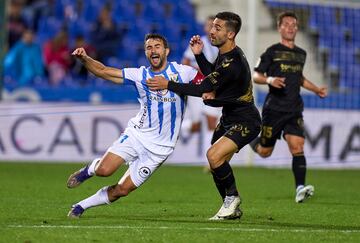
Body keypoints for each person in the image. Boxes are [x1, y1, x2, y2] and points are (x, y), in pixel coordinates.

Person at [67, 33, 204, 218]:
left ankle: (81, 206)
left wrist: (199, 58)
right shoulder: (140, 75)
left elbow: (208, 85)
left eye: (157, 46)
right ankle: (89, 170)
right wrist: (84, 58)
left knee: (122, 190)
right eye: (149, 47)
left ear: (166, 51)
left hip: (161, 148)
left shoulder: (184, 72)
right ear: (146, 53)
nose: (153, 50)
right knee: (104, 171)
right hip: (137, 135)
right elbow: (104, 71)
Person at [147, 12, 261, 220]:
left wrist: (168, 84)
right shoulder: (226, 54)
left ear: (231, 33)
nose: (211, 31)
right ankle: (230, 206)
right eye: (212, 26)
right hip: (229, 118)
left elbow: (204, 87)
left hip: (246, 120)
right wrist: (199, 55)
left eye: (218, 28)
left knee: (214, 156)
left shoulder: (233, 62)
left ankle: (232, 198)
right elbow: (213, 77)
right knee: (215, 162)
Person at [250, 12, 327, 203]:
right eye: (287, 24)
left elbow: (299, 78)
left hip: (294, 109)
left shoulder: (301, 53)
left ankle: (300, 188)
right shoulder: (271, 52)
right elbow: (256, 75)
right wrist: (270, 79)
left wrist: (316, 89)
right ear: (279, 28)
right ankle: (250, 139)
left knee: (297, 145)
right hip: (273, 109)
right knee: (265, 152)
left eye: (294, 24)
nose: (291, 27)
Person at [181, 16, 221, 164]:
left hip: (213, 89)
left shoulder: (220, 46)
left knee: (212, 123)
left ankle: (210, 159)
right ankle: (181, 127)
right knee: (196, 125)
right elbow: (184, 63)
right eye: (209, 25)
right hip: (198, 88)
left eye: (215, 26)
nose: (212, 29)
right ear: (205, 28)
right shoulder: (198, 43)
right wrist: (199, 69)